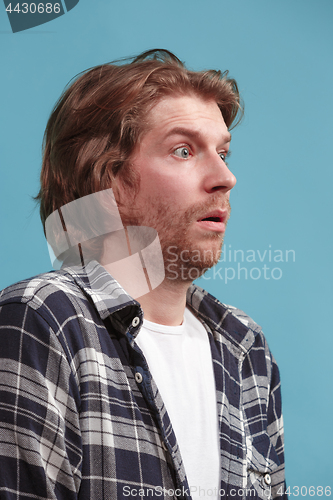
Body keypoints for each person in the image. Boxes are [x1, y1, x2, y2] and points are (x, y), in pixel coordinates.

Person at [0, 50, 286, 500]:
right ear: (111, 180)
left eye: (224, 152)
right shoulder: (43, 319)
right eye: (184, 150)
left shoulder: (246, 347)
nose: (226, 176)